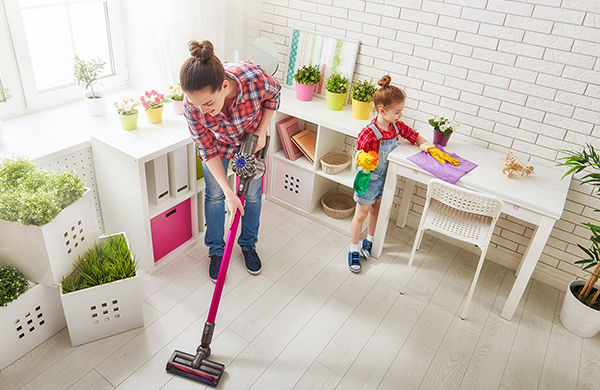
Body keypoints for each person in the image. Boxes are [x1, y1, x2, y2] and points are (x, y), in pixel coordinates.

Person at [180, 40, 281, 281]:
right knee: (215, 195)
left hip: (249, 143)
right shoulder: (193, 108)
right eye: (195, 105)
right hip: (218, 147)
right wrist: (228, 191)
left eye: (208, 104)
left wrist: (263, 129)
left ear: (225, 86)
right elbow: (206, 150)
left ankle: (248, 244)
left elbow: (273, 93)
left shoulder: (253, 78)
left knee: (252, 196)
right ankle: (216, 251)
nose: (202, 112)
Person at [348, 75, 460, 273]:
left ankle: (370, 242)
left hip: (385, 178)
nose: (400, 115)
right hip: (369, 179)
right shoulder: (369, 131)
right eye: (397, 112)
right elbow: (358, 150)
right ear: (382, 110)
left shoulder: (396, 126)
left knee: (376, 210)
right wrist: (361, 157)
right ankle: (353, 249)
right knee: (361, 214)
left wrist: (430, 148)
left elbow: (413, 135)